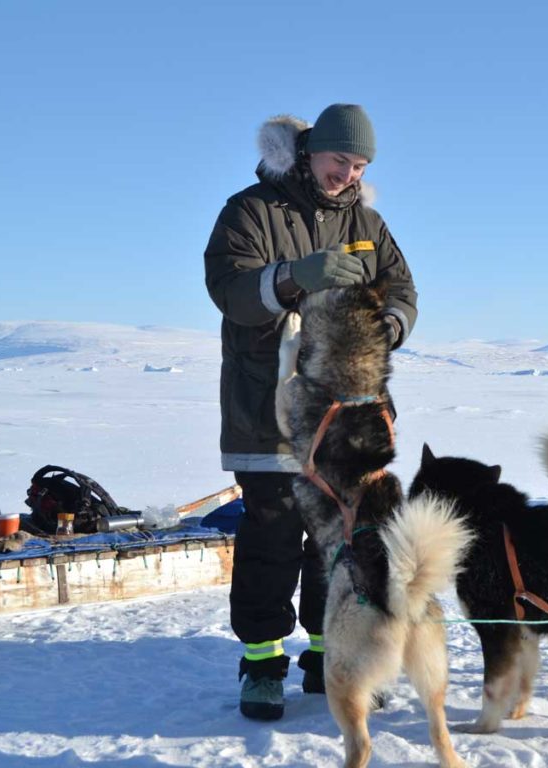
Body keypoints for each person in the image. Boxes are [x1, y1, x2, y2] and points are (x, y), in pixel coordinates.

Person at [203, 104, 418, 720]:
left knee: (341, 540)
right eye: (338, 161)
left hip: (348, 414)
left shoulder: (367, 221)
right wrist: (294, 275)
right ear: (307, 152)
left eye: (359, 166)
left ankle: (333, 659)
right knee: (271, 537)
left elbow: (402, 290)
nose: (347, 175)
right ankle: (263, 666)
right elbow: (231, 292)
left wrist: (388, 324)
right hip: (269, 407)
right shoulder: (250, 211)